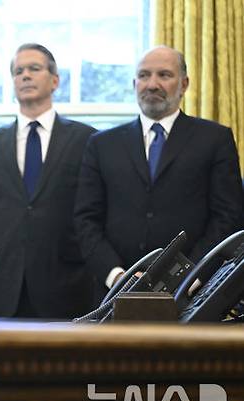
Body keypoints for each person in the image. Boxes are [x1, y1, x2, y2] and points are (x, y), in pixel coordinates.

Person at [74, 46, 243, 296]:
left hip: (191, 292)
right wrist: (118, 276)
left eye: (164, 75)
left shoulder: (215, 139)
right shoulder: (101, 144)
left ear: (184, 84)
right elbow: (86, 219)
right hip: (115, 293)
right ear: (134, 84)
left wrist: (191, 274)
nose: (152, 84)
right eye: (144, 75)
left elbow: (228, 216)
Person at [0, 43, 96, 319]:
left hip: (67, 288)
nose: (25, 75)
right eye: (18, 71)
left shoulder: (87, 140)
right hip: (1, 289)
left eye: (34, 69)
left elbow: (92, 213)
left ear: (55, 81)